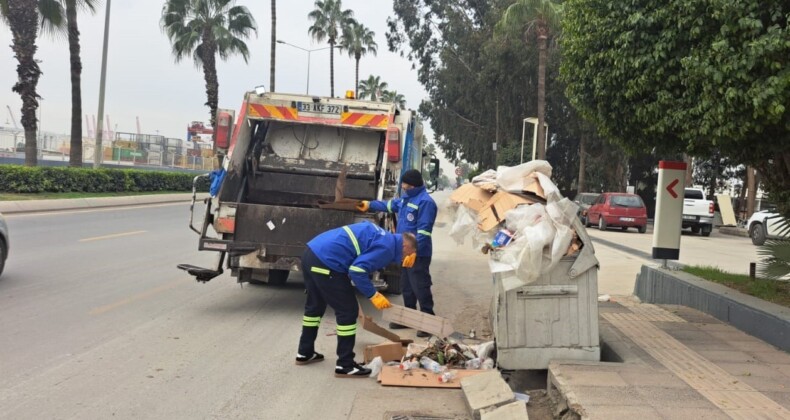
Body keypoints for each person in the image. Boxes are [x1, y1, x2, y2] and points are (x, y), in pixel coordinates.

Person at [295, 221, 418, 378]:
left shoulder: (384, 237)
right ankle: (345, 365)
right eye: (409, 255)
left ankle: (304, 353)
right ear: (405, 247)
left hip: (311, 253)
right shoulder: (387, 249)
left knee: (315, 306)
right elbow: (357, 270)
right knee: (348, 311)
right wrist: (373, 294)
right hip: (327, 261)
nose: (405, 259)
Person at [356, 169, 438, 338]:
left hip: (418, 254)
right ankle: (408, 318)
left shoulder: (426, 202)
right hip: (404, 251)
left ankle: (428, 321)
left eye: (405, 184)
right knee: (406, 287)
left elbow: (424, 233)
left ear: (412, 185)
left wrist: (414, 252)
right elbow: (388, 206)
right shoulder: (406, 199)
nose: (403, 186)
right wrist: (369, 204)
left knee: (420, 286)